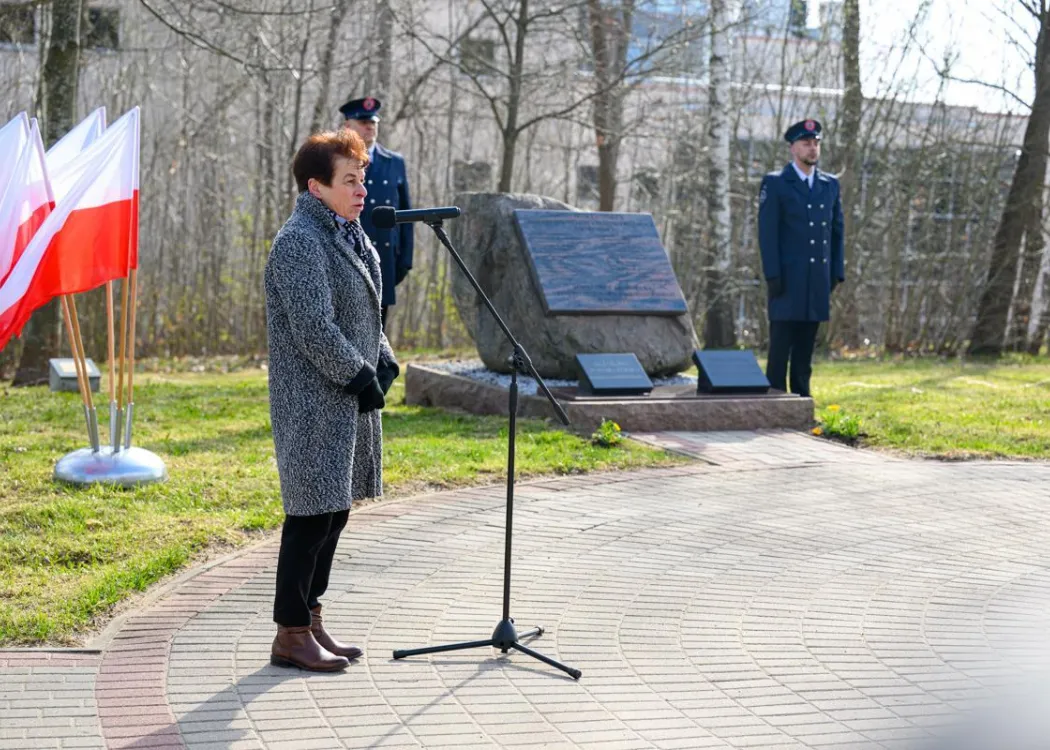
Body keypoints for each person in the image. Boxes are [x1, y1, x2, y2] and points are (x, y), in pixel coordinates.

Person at [264, 129, 400, 672]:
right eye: (350, 180)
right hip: (312, 402)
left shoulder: (349, 233)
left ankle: (312, 619)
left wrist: (383, 359)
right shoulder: (300, 241)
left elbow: (365, 314)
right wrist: (360, 376)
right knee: (310, 518)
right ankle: (290, 633)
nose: (362, 189)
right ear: (316, 187)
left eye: (362, 177)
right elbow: (314, 328)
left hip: (346, 399)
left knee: (335, 512)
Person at [757, 118, 845, 398]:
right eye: (806, 143)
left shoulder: (829, 185)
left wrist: (836, 273)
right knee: (780, 350)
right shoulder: (776, 183)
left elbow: (837, 232)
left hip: (817, 279)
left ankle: (802, 403)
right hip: (787, 279)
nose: (812, 148)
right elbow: (767, 234)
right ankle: (775, 405)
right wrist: (772, 274)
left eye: (816, 143)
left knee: (805, 353)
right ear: (793, 148)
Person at [339, 96, 414, 332]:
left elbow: (405, 213)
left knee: (378, 334)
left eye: (373, 122)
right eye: (363, 122)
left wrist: (405, 259)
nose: (370, 127)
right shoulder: (336, 161)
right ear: (348, 126)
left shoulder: (394, 162)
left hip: (385, 259)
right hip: (347, 258)